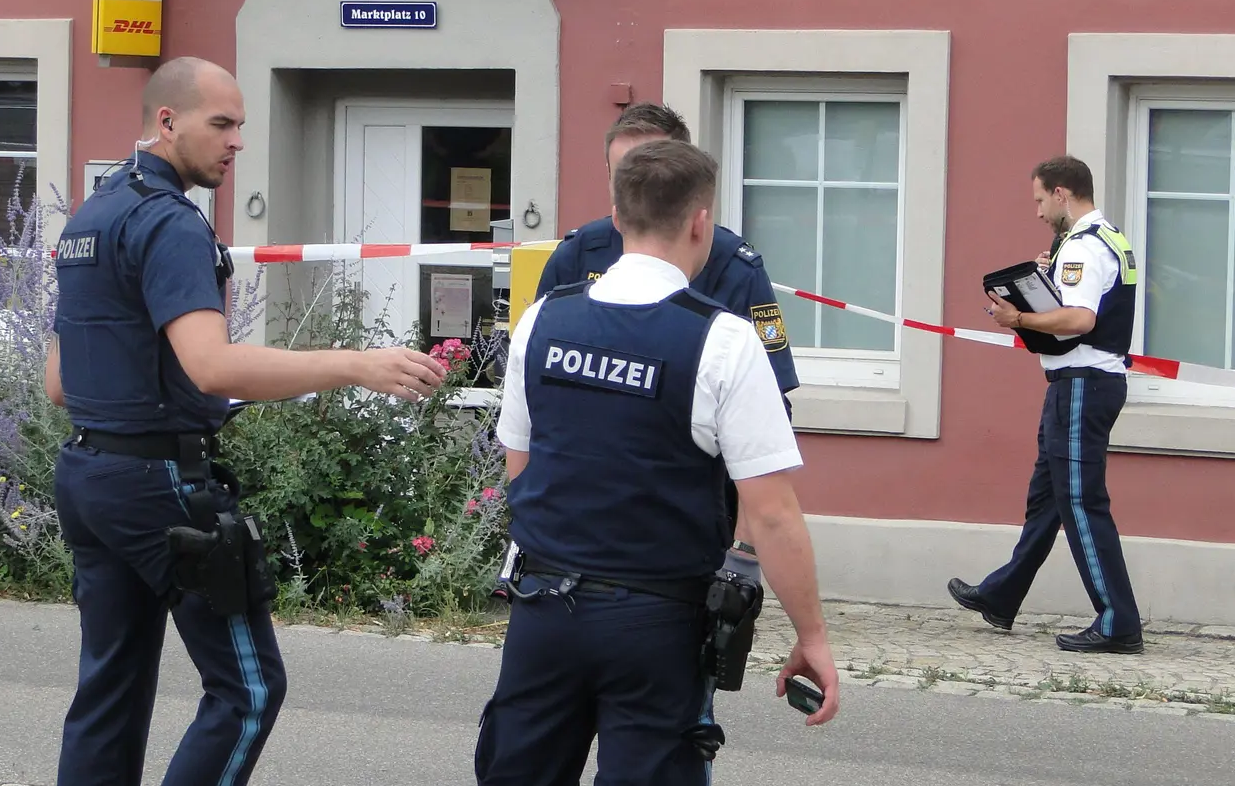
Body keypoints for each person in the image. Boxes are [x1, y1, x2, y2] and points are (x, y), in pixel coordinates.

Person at [42, 56, 447, 786]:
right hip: (158, 483)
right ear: (167, 122)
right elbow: (213, 366)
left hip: (87, 476)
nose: (236, 143)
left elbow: (60, 384)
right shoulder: (170, 224)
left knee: (110, 689)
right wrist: (359, 364)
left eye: (241, 126)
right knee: (250, 691)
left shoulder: (89, 217)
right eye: (222, 124)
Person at [476, 138, 840, 786]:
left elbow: (520, 466)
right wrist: (812, 636)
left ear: (616, 217)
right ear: (701, 220)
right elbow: (773, 513)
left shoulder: (543, 321)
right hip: (655, 622)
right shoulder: (723, 341)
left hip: (542, 612)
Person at [534, 102, 798, 558]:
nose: (641, 186)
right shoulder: (578, 254)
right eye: (626, 174)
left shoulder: (734, 266)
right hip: (578, 520)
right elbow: (532, 382)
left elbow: (771, 411)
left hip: (694, 518)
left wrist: (745, 551)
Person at [949, 154, 1144, 654]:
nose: (1037, 212)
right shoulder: (1110, 240)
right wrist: (1047, 277)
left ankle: (1118, 622)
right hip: (1080, 384)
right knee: (1049, 499)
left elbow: (1079, 320)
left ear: (1062, 193)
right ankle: (1002, 593)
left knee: (1081, 501)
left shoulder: (1083, 247)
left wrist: (1019, 318)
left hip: (1083, 384)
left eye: (1040, 199)